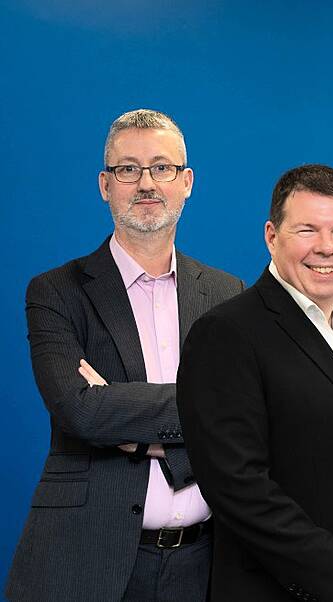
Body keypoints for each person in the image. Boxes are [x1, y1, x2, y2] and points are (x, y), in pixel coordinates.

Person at [6, 109, 244, 601]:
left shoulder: (226, 293)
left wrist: (130, 427)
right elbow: (80, 410)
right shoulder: (55, 291)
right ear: (104, 184)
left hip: (206, 563)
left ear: (187, 182)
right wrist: (203, 414)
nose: (146, 183)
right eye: (127, 169)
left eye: (162, 167)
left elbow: (247, 419)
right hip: (86, 557)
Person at [176, 164, 333, 601]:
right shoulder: (227, 332)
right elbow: (236, 485)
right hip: (282, 590)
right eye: (307, 230)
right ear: (271, 236)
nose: (326, 248)